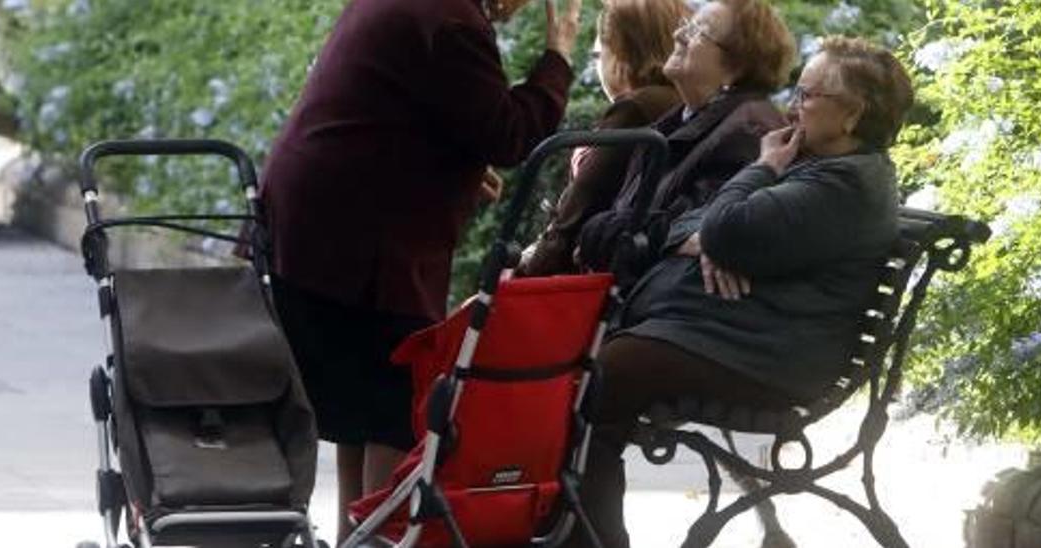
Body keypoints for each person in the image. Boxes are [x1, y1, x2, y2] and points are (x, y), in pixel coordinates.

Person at [569, 36, 916, 547]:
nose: (793, 107)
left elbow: (724, 229)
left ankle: (590, 538)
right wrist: (711, 234)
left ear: (852, 115)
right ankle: (577, 532)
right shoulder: (816, 165)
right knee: (583, 368)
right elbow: (696, 223)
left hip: (769, 359)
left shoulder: (845, 185)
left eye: (807, 95)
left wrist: (757, 174)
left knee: (601, 377)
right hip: (732, 337)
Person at [257, 0, 581, 541]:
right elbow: (510, 135)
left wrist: (447, 170)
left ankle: (354, 537)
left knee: (359, 406)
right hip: (360, 243)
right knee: (393, 407)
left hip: (319, 225)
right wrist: (558, 56)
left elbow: (399, 107)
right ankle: (375, 539)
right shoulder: (452, 23)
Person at [571, 0, 797, 276]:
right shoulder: (673, 124)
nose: (678, 35)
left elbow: (685, 234)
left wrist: (603, 234)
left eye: (698, 32)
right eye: (686, 26)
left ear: (735, 68)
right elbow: (624, 229)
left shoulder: (748, 134)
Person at [517, 0, 689, 277]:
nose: (599, 68)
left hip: (592, 278)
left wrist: (522, 276)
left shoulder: (636, 108)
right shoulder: (681, 102)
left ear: (622, 52)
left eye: (599, 56)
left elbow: (578, 209)